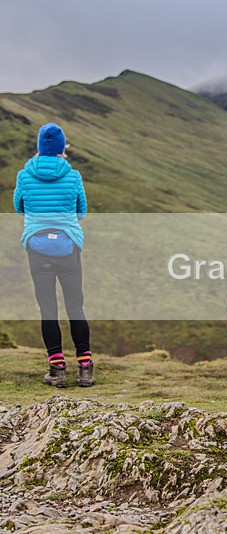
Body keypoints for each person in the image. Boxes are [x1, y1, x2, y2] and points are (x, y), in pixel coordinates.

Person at [14, 123, 93, 388]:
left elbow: (19, 207)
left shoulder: (24, 175)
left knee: (48, 309)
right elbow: (81, 212)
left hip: (37, 248)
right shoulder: (73, 176)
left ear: (39, 146)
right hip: (68, 247)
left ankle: (57, 370)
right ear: (61, 148)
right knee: (75, 306)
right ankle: (85, 369)